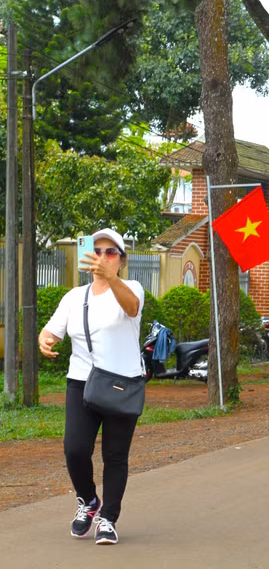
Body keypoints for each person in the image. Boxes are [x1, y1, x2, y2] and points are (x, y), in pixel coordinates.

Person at [38, 229, 144, 545]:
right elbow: (51, 330)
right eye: (97, 250)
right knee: (75, 449)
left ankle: (108, 519)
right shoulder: (74, 297)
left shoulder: (131, 288)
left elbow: (132, 308)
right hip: (82, 383)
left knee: (114, 455)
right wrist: (45, 340)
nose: (103, 256)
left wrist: (111, 279)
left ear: (122, 261)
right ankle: (88, 500)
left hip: (123, 383)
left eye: (111, 252)